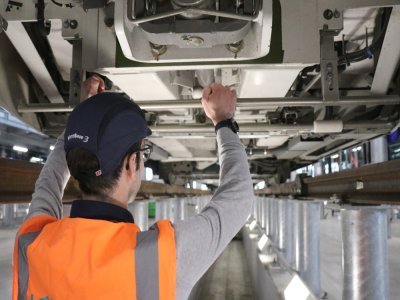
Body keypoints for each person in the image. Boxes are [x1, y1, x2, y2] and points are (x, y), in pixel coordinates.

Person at [13, 75, 254, 300]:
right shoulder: (160, 258)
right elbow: (52, 176)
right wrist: (223, 121)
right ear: (131, 164)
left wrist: (223, 121)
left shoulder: (32, 243)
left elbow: (239, 198)